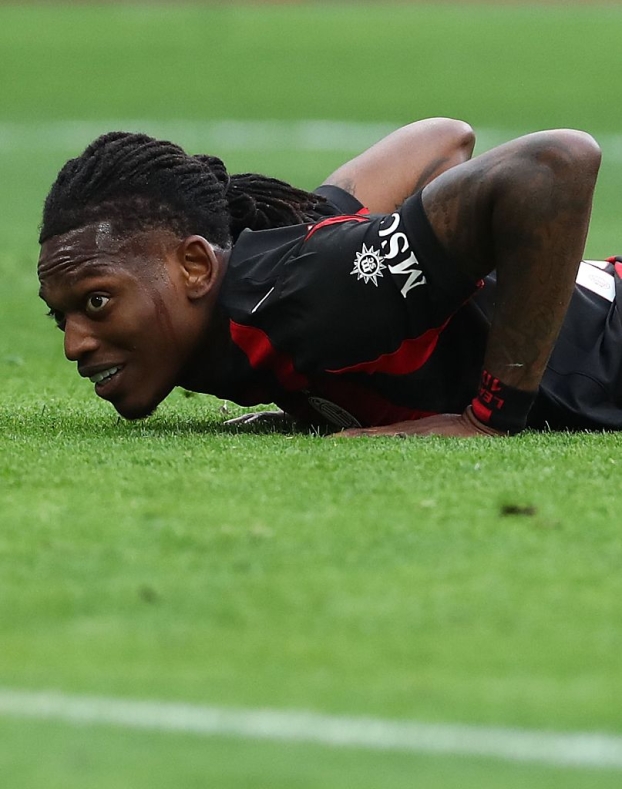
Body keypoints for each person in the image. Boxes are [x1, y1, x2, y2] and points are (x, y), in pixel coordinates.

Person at [37, 118, 604, 438]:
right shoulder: (295, 274)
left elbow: (558, 162)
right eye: (61, 317)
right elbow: (440, 139)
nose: (74, 344)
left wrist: (487, 420)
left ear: (196, 267)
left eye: (97, 302)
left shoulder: (314, 292)